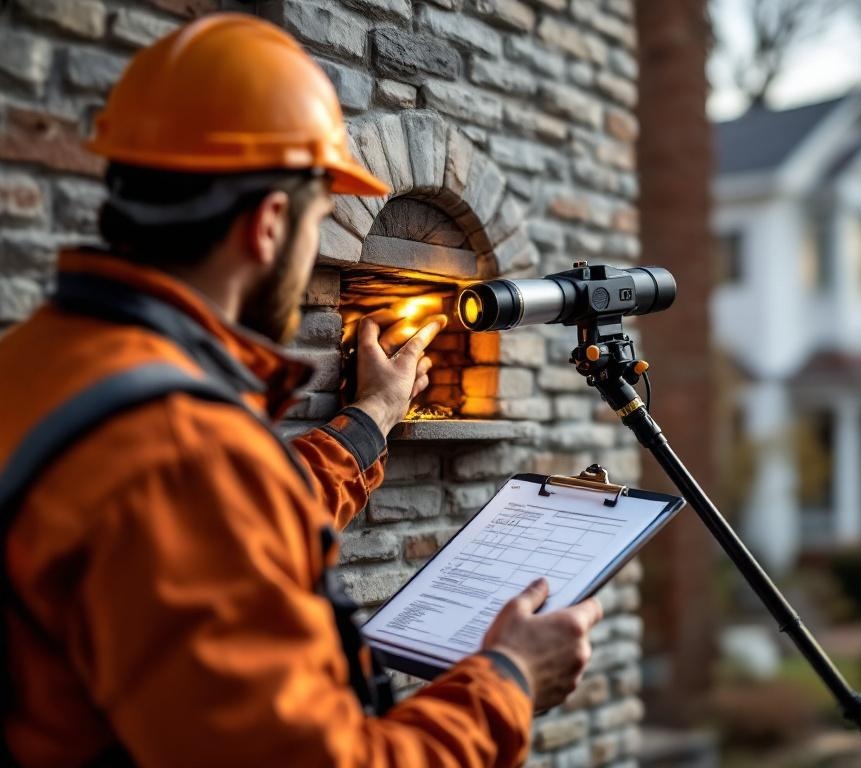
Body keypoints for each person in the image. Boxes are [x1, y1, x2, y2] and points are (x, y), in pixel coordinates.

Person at [0, 13, 602, 768]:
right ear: (269, 223)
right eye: (322, 218)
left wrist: (371, 419)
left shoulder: (41, 361)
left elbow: (230, 528)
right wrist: (510, 681)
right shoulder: (179, 452)